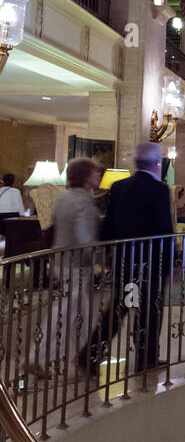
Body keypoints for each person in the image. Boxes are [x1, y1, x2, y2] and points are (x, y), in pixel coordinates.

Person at [96, 141, 174, 375]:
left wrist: (108, 254)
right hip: (150, 262)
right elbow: (164, 230)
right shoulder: (159, 190)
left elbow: (108, 225)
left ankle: (89, 354)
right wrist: (169, 262)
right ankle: (146, 358)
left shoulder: (119, 187)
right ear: (158, 164)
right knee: (150, 309)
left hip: (124, 260)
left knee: (121, 306)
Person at [31, 159, 102, 377]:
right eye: (95, 173)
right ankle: (37, 357)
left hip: (60, 261)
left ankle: (84, 358)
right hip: (76, 265)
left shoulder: (62, 198)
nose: (98, 176)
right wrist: (99, 259)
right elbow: (84, 238)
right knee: (66, 310)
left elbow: (53, 225)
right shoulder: (84, 202)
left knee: (80, 312)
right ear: (86, 177)